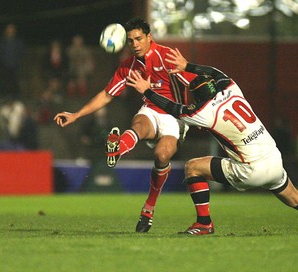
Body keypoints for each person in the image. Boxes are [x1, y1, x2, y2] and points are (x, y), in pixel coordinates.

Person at [127, 48, 298, 235]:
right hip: (273, 159)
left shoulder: (204, 112)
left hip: (250, 169)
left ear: (198, 97)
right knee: (294, 196)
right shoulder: (233, 90)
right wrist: (188, 65)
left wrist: (147, 91)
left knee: (192, 168)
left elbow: (173, 109)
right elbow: (216, 72)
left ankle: (204, 223)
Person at [54, 18, 195, 233]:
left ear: (149, 37)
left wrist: (201, 114)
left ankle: (148, 208)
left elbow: (195, 82)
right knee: (138, 123)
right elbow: (106, 94)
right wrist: (77, 114)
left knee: (162, 155)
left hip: (174, 116)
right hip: (150, 110)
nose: (135, 44)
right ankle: (117, 148)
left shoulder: (167, 56)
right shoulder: (128, 67)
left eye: (139, 39)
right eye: (130, 41)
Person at [0, 23, 26, 99]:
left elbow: (22, 53)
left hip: (15, 67)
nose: (10, 31)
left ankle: (15, 98)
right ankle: (4, 98)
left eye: (12, 29)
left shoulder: (18, 42)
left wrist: (18, 63)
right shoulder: (1, 42)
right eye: (9, 29)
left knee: (15, 83)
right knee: (4, 83)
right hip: (3, 67)